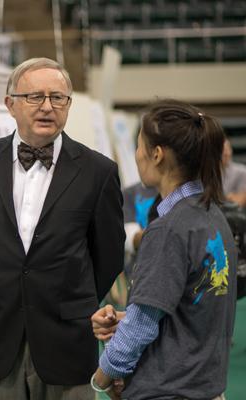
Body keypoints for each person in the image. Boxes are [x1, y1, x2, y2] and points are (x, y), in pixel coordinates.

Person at [0, 57, 124, 399]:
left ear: (68, 105)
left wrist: (69, 298)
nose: (47, 107)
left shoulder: (98, 171)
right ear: (10, 105)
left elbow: (108, 257)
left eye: (58, 98)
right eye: (35, 97)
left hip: (67, 337)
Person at [91, 100, 237, 400]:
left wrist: (102, 377)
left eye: (139, 145)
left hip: (170, 389)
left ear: (156, 154)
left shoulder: (169, 228)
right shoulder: (212, 215)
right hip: (204, 386)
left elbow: (141, 327)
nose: (136, 154)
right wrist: (127, 318)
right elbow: (193, 304)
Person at [222, 137, 246, 207]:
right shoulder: (209, 173)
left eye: (227, 149)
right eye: (222, 150)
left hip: (236, 213)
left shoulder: (242, 171)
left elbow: (241, 199)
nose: (225, 153)